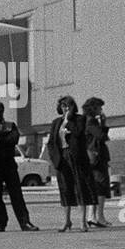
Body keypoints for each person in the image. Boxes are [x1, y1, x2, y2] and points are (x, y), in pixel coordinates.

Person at [0, 101, 38, 231]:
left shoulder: (11, 125)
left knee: (17, 195)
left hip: (9, 165)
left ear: (3, 112)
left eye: (0, 111)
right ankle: (1, 224)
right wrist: (2, 140)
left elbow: (13, 139)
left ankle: (25, 222)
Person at [47, 95, 95, 232]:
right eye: (63, 106)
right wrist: (54, 158)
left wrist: (68, 121)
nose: (66, 109)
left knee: (80, 187)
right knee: (65, 189)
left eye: (69, 106)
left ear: (73, 107)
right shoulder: (56, 122)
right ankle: (67, 221)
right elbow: (51, 142)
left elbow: (79, 133)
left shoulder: (79, 119)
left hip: (76, 157)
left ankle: (83, 222)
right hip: (62, 157)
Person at [83, 97, 111, 227]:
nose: (101, 109)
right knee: (101, 186)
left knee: (94, 187)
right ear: (94, 108)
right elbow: (102, 136)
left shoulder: (85, 120)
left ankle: (92, 216)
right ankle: (99, 217)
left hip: (90, 156)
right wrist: (103, 124)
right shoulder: (91, 121)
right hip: (97, 157)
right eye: (100, 107)